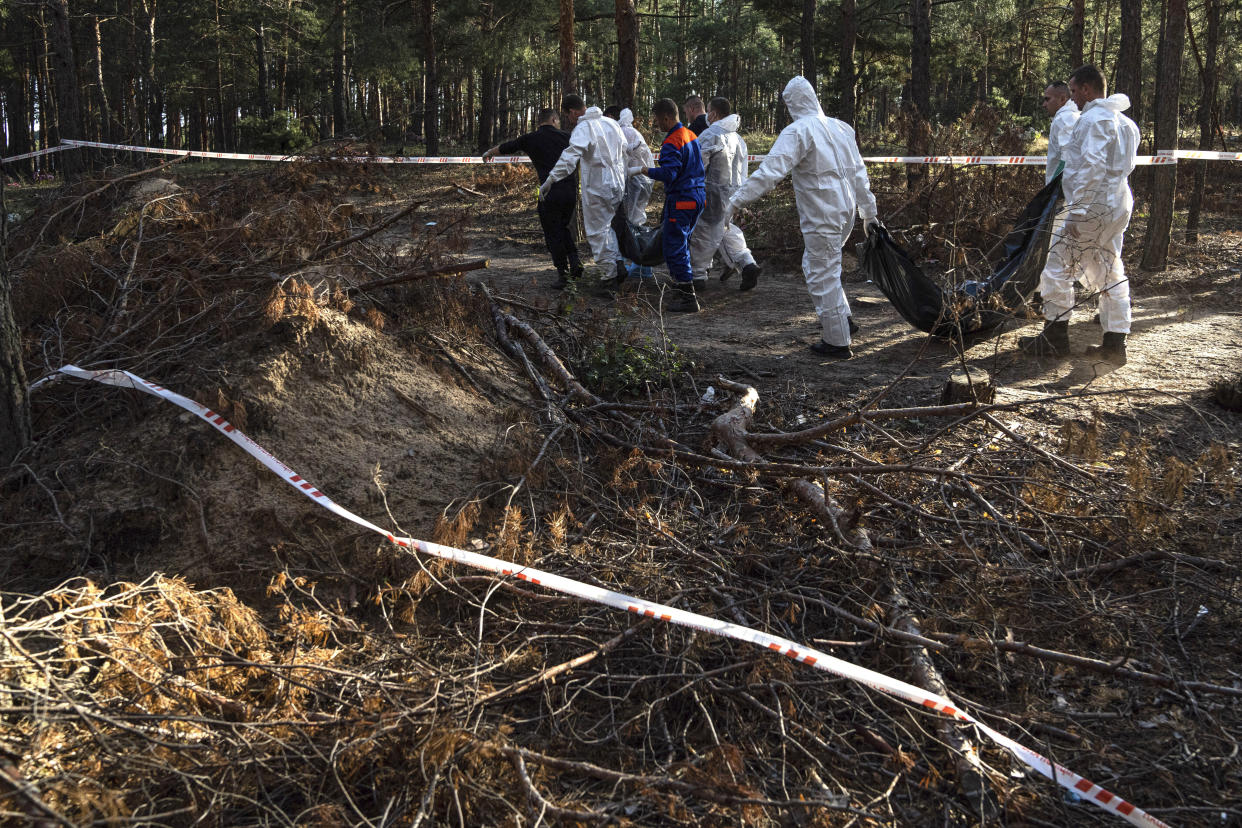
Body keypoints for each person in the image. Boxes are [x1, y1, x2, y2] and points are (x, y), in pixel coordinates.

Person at [724, 76, 878, 359]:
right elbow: (859, 173)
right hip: (846, 211)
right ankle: (843, 320)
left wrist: (736, 200)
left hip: (823, 213)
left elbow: (770, 173)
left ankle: (837, 341)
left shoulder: (798, 132)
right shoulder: (841, 128)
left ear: (792, 103)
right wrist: (869, 212)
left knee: (822, 272)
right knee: (825, 266)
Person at [1018, 64, 1139, 365]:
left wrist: (1078, 210)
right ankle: (1115, 343)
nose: (1073, 99)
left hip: (1094, 205)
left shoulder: (1093, 120)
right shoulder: (1125, 122)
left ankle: (1054, 337)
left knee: (1058, 265)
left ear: (1086, 89)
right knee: (1110, 266)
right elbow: (1122, 167)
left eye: (1074, 92)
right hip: (1118, 203)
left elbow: (1091, 167)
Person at [482, 108, 582, 288]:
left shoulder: (530, 139)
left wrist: (489, 152)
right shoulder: (567, 137)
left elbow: (507, 147)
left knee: (553, 233)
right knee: (564, 227)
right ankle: (575, 262)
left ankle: (563, 274)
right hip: (569, 191)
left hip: (548, 190)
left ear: (540, 121)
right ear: (553, 119)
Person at [541, 94, 629, 285]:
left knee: (597, 231)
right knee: (607, 226)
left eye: (568, 116)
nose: (569, 120)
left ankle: (609, 277)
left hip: (598, 185)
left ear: (572, 112)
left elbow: (570, 157)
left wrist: (551, 179)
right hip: (617, 183)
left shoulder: (583, 128)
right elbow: (625, 149)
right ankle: (618, 264)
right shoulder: (611, 123)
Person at [632, 98, 706, 312]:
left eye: (657, 120)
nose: (657, 125)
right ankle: (682, 287)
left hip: (682, 198)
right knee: (683, 242)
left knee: (675, 245)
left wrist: (646, 170)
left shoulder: (672, 141)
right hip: (697, 196)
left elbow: (669, 174)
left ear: (665, 117)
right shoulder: (690, 135)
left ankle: (687, 297)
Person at [689, 97, 761, 290]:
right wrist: (741, 198)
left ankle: (697, 277)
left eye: (709, 111)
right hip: (732, 195)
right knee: (726, 230)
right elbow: (743, 171)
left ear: (713, 113)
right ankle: (747, 264)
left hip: (711, 194)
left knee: (702, 234)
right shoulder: (738, 139)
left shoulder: (709, 135)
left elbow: (697, 165)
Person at [604, 105, 656, 279]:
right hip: (639, 182)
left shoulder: (624, 132)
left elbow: (621, 163)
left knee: (634, 222)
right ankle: (639, 263)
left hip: (636, 182)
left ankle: (640, 264)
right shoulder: (630, 131)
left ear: (612, 116)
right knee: (635, 220)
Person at [1042, 80, 1079, 185]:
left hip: (1062, 190)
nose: (1044, 104)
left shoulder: (1063, 119)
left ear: (1062, 99)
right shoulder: (1074, 116)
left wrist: (1052, 191)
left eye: (1047, 99)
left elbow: (1068, 158)